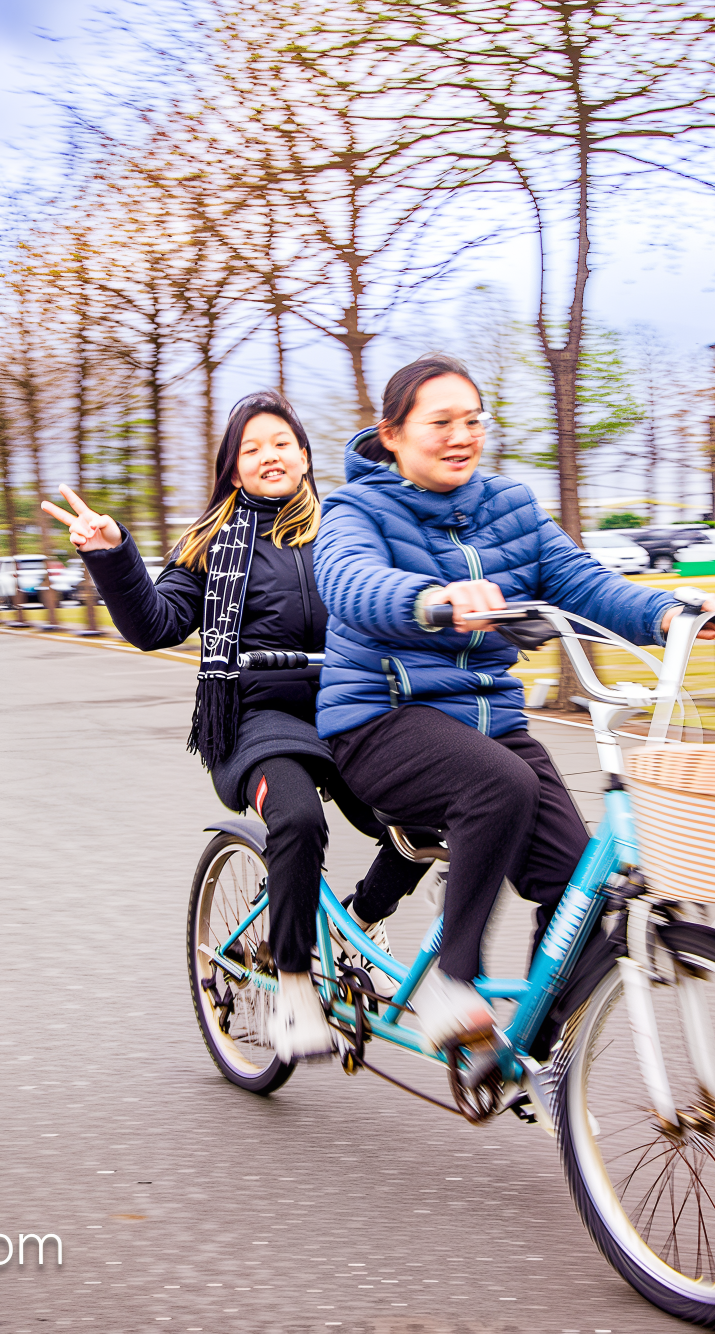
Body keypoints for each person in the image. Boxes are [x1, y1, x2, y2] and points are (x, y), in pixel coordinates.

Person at [312, 354, 715, 1051]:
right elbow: (350, 581)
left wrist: (668, 612)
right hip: (381, 721)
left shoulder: (509, 506)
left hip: (491, 725)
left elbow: (582, 581)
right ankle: (455, 980)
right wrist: (433, 600)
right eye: (440, 422)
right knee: (496, 783)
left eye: (473, 421)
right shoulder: (356, 508)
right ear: (391, 434)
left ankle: (538, 1054)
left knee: (579, 883)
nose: (461, 436)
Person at [41, 391, 429, 1063]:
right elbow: (156, 624)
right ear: (233, 468)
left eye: (281, 442)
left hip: (349, 709)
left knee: (428, 820)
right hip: (259, 720)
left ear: (305, 456)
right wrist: (111, 555)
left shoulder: (345, 528)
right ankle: (295, 982)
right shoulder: (212, 541)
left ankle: (363, 917)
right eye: (251, 448)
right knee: (300, 821)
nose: (268, 455)